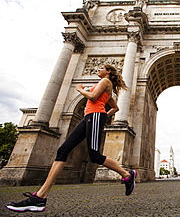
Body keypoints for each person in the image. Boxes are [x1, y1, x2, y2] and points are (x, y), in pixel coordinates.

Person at [7, 65, 137, 212]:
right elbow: (115, 107)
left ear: (108, 71)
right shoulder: (103, 85)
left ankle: (127, 174)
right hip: (89, 117)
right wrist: (103, 115)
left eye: (101, 68)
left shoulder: (106, 82)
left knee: (94, 156)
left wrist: (82, 91)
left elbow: (93, 97)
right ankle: (40, 197)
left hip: (94, 116)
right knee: (63, 150)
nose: (97, 69)